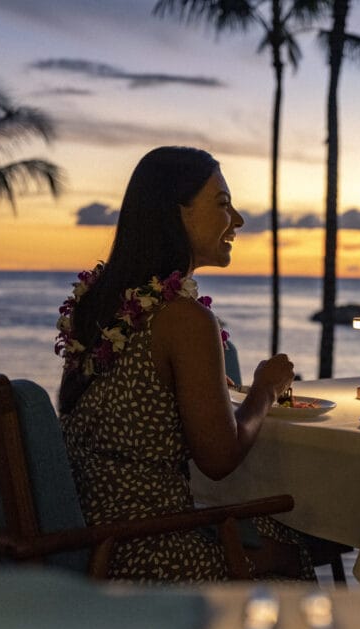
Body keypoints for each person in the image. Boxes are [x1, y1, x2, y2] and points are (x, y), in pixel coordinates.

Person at [57, 146, 314, 582]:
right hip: (145, 550)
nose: (237, 220)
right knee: (292, 545)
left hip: (87, 533)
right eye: (222, 204)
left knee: (276, 527)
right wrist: (266, 389)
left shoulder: (97, 301)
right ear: (177, 214)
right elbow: (219, 458)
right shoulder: (184, 318)